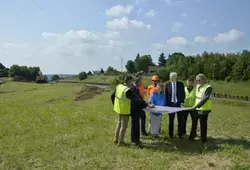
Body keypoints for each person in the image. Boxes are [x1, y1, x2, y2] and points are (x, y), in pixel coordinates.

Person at [111, 75, 154, 146]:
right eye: (131, 81)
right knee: (123, 126)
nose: (132, 82)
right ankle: (120, 142)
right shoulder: (127, 90)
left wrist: (115, 105)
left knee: (119, 124)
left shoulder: (119, 86)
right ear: (129, 81)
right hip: (124, 110)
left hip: (118, 109)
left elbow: (112, 96)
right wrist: (147, 104)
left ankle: (115, 139)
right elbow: (136, 99)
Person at [190, 74, 212, 147]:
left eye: (199, 80)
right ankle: (192, 137)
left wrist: (196, 106)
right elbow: (195, 96)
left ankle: (203, 139)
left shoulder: (208, 87)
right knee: (194, 124)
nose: (198, 82)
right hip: (196, 109)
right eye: (197, 80)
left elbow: (204, 99)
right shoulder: (197, 86)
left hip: (204, 110)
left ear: (203, 79)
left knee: (203, 125)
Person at [130, 76, 152, 146]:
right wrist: (147, 104)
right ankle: (134, 141)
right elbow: (137, 100)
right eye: (140, 83)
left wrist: (146, 103)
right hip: (134, 110)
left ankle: (137, 140)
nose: (141, 84)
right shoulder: (133, 89)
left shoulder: (136, 89)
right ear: (137, 82)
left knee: (137, 125)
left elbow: (140, 99)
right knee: (134, 125)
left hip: (138, 109)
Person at [165, 72, 185, 139]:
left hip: (178, 105)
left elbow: (183, 94)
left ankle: (180, 134)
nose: (171, 78)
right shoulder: (167, 85)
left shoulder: (181, 84)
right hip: (171, 105)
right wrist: (167, 105)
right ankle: (171, 134)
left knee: (180, 120)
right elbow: (166, 96)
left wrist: (182, 102)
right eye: (170, 77)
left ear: (176, 77)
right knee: (171, 120)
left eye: (173, 77)